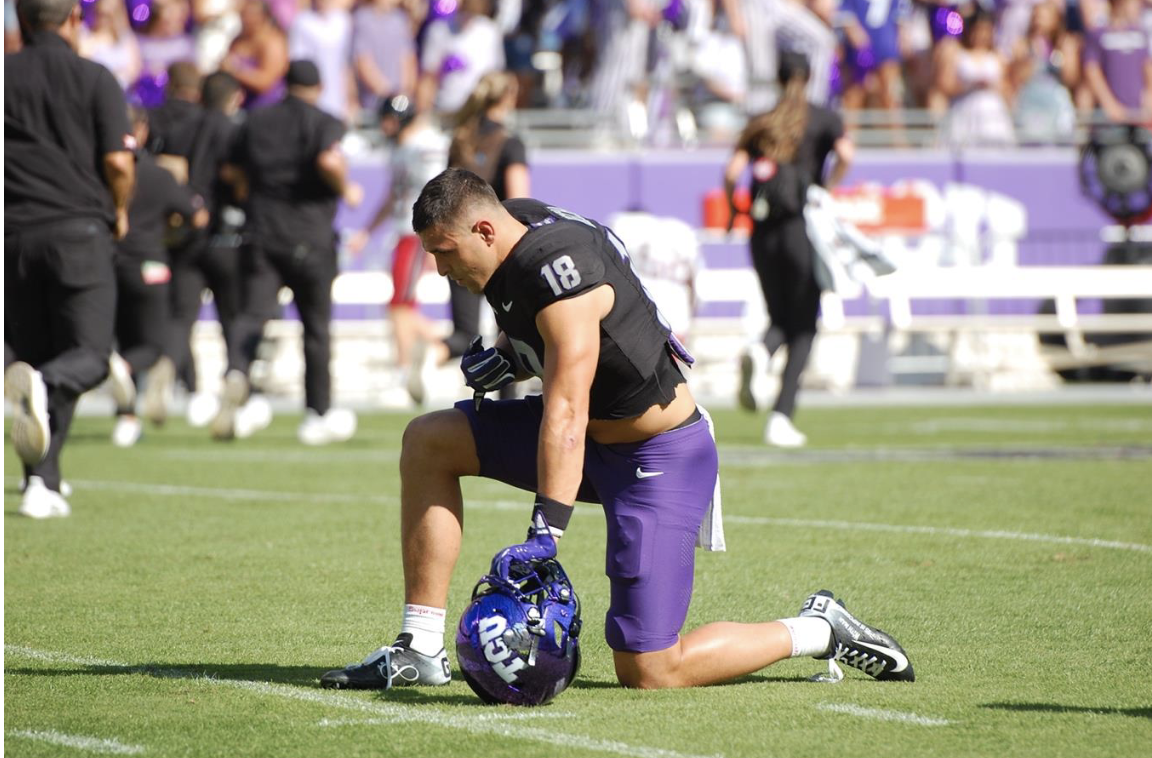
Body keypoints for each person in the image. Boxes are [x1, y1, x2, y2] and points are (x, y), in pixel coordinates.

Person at [319, 168, 913, 691]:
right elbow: (570, 346)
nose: (439, 268)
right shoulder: (516, 225)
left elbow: (567, 410)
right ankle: (420, 648)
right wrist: (513, 352)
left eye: (444, 251)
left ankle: (816, 628)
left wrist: (545, 532)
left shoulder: (556, 273)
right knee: (429, 439)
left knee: (650, 667)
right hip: (592, 434)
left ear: (483, 231)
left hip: (654, 454)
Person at [5, 0, 135, 517]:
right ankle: (44, 386)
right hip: (78, 231)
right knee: (89, 355)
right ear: (73, 20)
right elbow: (118, 161)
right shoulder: (95, 76)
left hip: (13, 237)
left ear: (21, 19)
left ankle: (43, 483)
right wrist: (120, 209)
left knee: (38, 358)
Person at [222, 59, 362, 444]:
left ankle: (237, 370)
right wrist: (346, 187)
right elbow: (328, 159)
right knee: (315, 329)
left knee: (252, 315)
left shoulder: (255, 120)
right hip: (311, 237)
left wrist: (249, 193)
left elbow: (231, 171)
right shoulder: (324, 121)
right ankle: (316, 413)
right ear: (317, 87)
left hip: (263, 232)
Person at [724, 52, 853, 447]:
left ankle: (762, 351)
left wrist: (737, 210)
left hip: (762, 233)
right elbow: (846, 154)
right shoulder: (823, 117)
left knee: (780, 314)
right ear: (809, 76)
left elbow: (731, 174)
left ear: (778, 78)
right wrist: (827, 187)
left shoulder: (760, 122)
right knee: (804, 324)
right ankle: (781, 414)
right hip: (801, 227)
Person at [150, 66, 248, 427]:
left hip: (188, 234)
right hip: (227, 235)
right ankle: (234, 377)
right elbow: (238, 179)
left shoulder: (179, 130)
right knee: (233, 318)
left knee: (181, 316)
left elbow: (168, 170)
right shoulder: (235, 131)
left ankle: (165, 365)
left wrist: (187, 207)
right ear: (234, 98)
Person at [427, 71, 531, 401]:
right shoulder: (509, 143)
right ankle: (504, 407)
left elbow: (442, 196)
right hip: (496, 249)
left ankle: (433, 355)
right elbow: (517, 200)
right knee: (511, 336)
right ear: (508, 97)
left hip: (457, 246)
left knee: (464, 332)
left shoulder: (460, 139)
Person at [108, 106, 207, 448]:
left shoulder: (98, 172)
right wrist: (174, 234)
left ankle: (126, 418)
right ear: (143, 131)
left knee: (124, 335)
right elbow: (196, 215)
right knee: (154, 344)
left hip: (109, 263)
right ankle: (121, 368)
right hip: (148, 264)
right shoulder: (157, 174)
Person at [347, 94, 449, 404]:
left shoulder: (426, 144)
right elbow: (394, 196)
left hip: (418, 232)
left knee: (399, 305)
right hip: (405, 230)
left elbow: (442, 193)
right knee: (400, 305)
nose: (385, 125)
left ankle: (406, 370)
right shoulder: (400, 149)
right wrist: (366, 231)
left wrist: (437, 243)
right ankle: (442, 344)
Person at [935, 7, 1017, 148]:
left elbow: (1008, 87)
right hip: (964, 111)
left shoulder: (998, 56)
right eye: (978, 29)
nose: (982, 35)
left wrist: (991, 86)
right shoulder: (956, 52)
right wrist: (969, 85)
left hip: (992, 117)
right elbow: (944, 85)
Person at [1082, 0, 1152, 124]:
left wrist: (1149, 96)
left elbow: (1147, 66)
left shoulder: (1140, 33)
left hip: (1139, 115)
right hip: (1110, 120)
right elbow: (1092, 69)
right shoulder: (1098, 33)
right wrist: (1109, 103)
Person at [350, 0, 417, 114]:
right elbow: (363, 62)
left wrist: (403, 94)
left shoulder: (400, 19)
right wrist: (388, 95)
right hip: (374, 104)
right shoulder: (362, 19)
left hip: (399, 103)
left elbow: (407, 58)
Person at [221, 0, 289, 110]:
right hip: (239, 108)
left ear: (263, 17)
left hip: (266, 108)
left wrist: (234, 71)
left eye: (249, 15)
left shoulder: (273, 43)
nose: (244, 19)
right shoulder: (238, 40)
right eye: (242, 14)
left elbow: (266, 82)